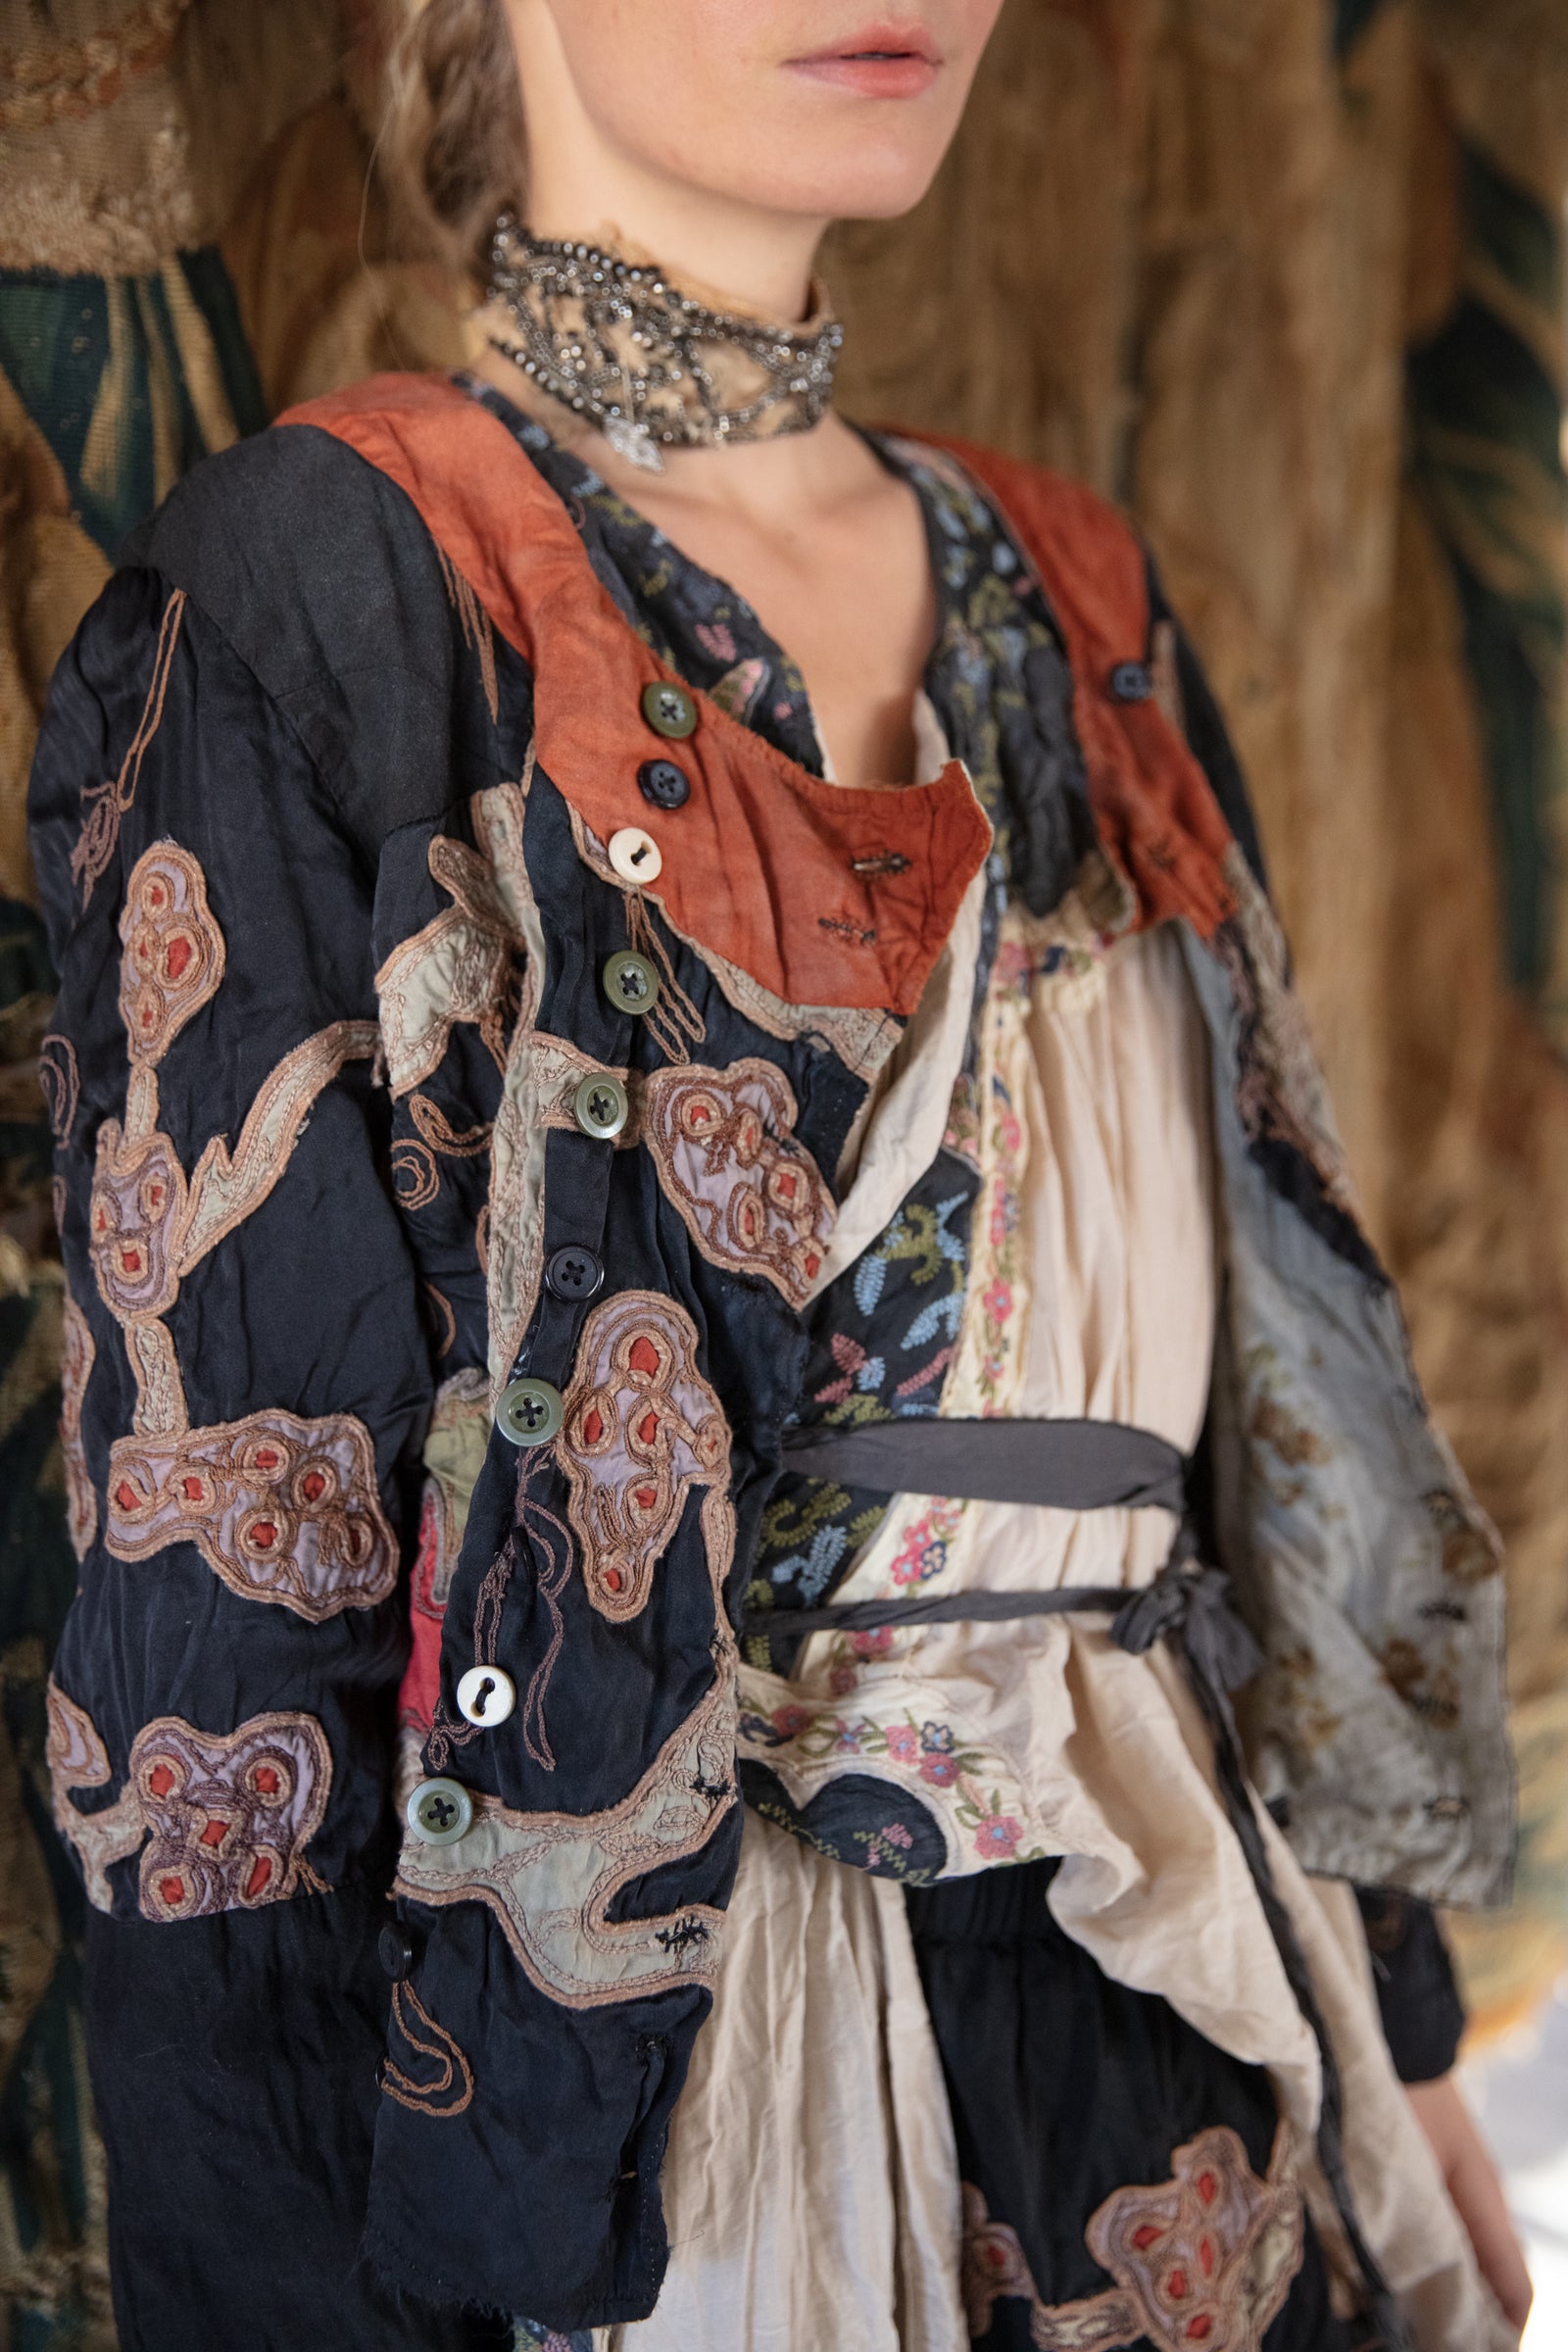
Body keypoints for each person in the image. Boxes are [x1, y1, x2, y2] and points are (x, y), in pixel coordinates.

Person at [26, 3, 1534, 2346]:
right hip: (673, 2132)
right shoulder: (334, 587)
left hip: (1193, 2040)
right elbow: (220, 1627)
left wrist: (1399, 2034)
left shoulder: (1078, 597)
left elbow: (1280, 1410)